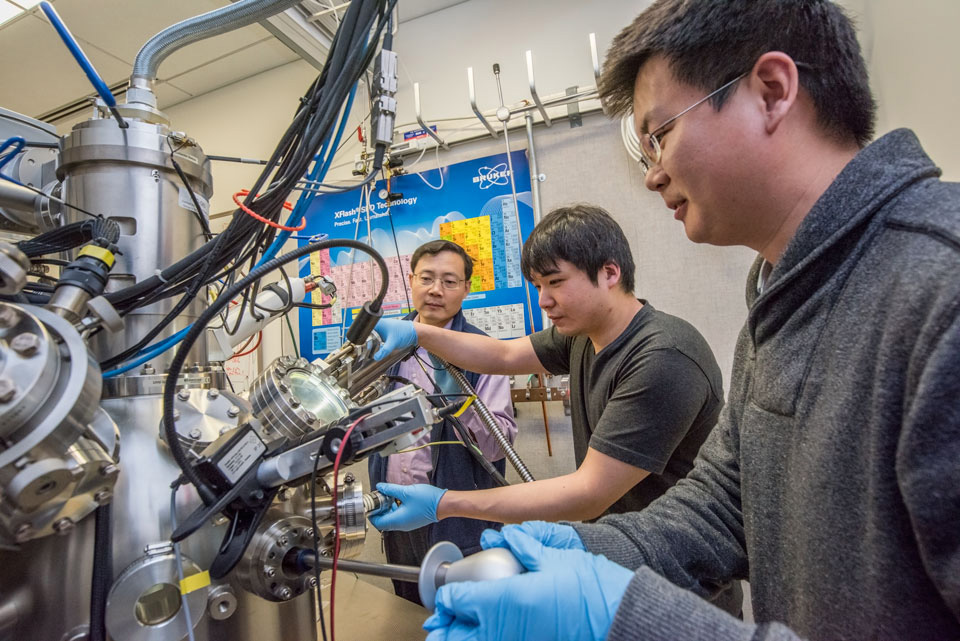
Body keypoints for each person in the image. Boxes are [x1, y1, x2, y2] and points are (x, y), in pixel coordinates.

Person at [418, 1, 960, 640]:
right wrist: (581, 551)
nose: (652, 175)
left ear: (771, 92)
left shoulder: (938, 286)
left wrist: (626, 616)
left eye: (661, 134)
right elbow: (720, 509)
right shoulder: (781, 301)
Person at [373, 205, 741, 614]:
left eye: (556, 282)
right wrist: (418, 332)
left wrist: (445, 503)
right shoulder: (582, 335)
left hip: (678, 580)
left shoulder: (661, 357)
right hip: (616, 562)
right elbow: (503, 355)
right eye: (537, 286)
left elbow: (588, 493)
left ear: (610, 272)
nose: (544, 301)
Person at [366, 239, 517, 605]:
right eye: (426, 278)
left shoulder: (484, 352)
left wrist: (459, 399)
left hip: (459, 519)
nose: (436, 290)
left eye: (449, 281)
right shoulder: (385, 344)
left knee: (465, 614)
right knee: (408, 612)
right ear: (411, 281)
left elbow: (498, 446)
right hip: (397, 512)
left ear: (466, 288)